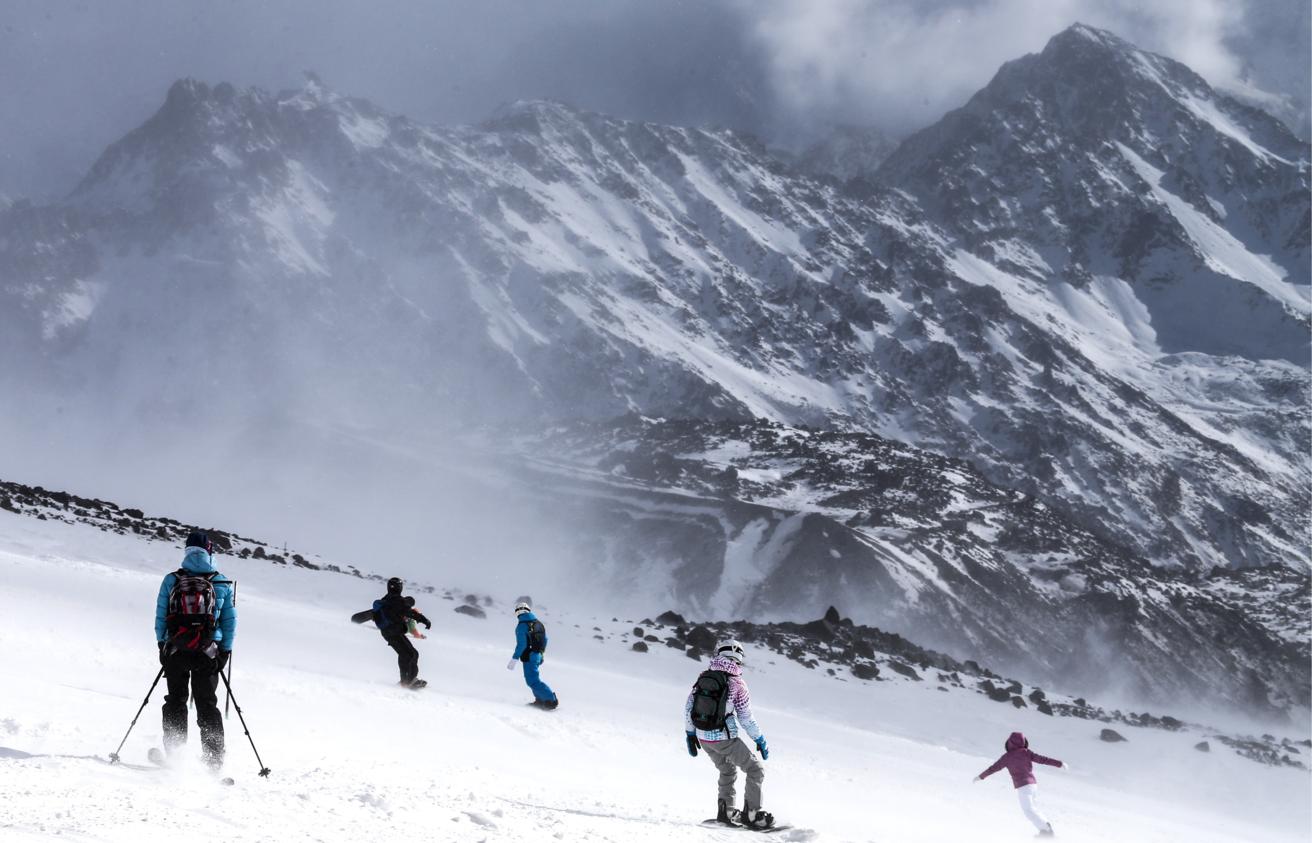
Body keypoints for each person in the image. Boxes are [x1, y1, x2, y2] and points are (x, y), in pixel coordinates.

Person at [155, 529, 236, 770]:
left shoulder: (172, 579)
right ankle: (213, 761)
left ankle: (175, 754)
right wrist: (224, 652)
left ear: (187, 550)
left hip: (176, 649)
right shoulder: (221, 582)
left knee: (176, 700)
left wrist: (162, 645)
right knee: (207, 704)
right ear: (210, 551)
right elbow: (229, 622)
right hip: (208, 652)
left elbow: (161, 615)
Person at [684, 640, 773, 829]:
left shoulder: (704, 676)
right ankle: (752, 815)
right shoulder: (737, 683)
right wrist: (759, 739)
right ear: (739, 658)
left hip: (703, 737)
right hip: (724, 738)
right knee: (755, 770)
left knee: (727, 770)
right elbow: (746, 718)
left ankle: (726, 812)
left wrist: (690, 734)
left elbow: (689, 706)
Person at [974, 731, 1066, 836]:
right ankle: (1045, 828)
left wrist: (981, 776)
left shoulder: (1007, 757)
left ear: (1009, 743)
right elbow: (1043, 759)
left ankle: (1046, 830)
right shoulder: (1027, 752)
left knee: (1028, 810)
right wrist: (1059, 764)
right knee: (1033, 808)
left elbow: (993, 768)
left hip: (1024, 787)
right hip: (1033, 785)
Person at [373, 577, 431, 687]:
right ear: (400, 587)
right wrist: (425, 620)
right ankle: (409, 681)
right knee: (411, 654)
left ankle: (405, 681)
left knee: (405, 654)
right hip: (395, 632)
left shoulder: (386, 599)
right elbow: (411, 613)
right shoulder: (398, 600)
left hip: (387, 633)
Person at [507, 602, 558, 709]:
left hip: (529, 656)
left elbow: (522, 645)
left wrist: (514, 659)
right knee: (533, 679)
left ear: (518, 612)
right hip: (537, 655)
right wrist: (541, 654)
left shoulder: (522, 626)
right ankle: (540, 699)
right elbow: (545, 639)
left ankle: (551, 700)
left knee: (532, 681)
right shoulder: (538, 623)